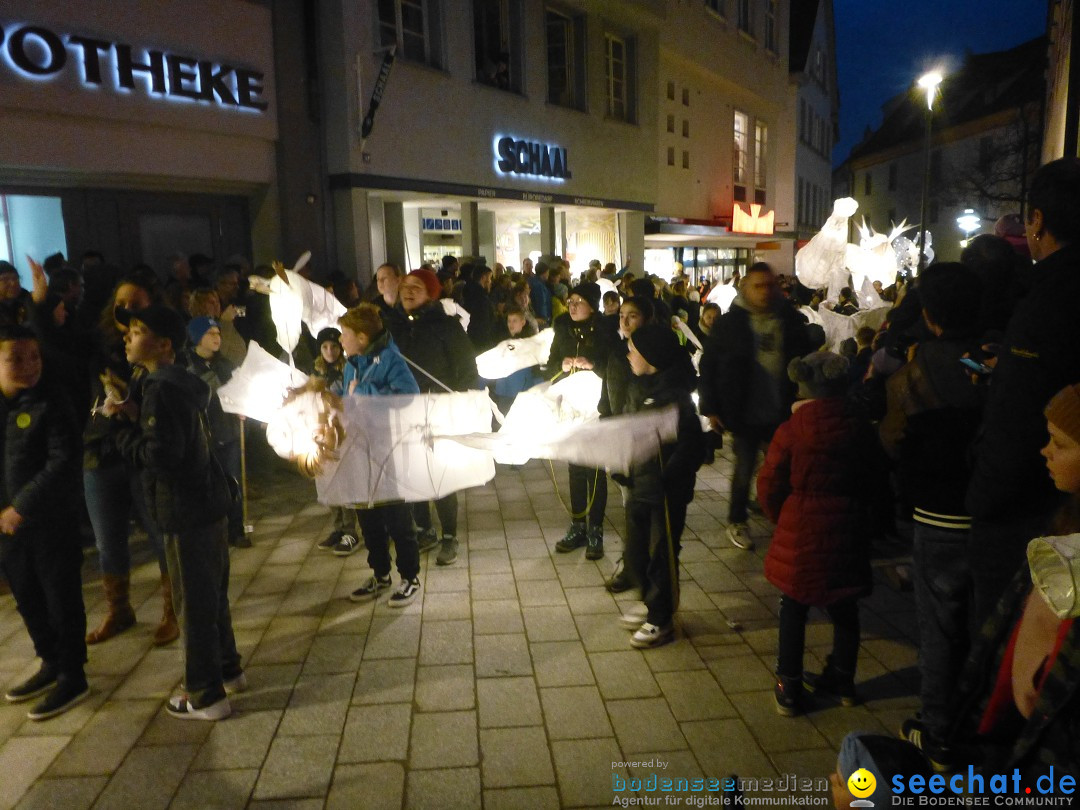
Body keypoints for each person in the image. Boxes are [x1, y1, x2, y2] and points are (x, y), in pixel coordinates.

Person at [109, 304, 243, 720]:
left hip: (185, 508)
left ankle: (204, 693)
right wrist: (132, 412)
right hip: (206, 503)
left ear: (163, 343)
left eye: (136, 331)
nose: (128, 339)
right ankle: (228, 669)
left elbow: (162, 456)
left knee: (193, 603)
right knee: (211, 595)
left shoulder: (160, 389)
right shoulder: (177, 382)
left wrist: (121, 433)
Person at [878, 263, 986, 765]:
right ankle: (981, 718)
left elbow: (892, 440)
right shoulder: (1002, 357)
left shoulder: (915, 370)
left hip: (939, 514)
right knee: (983, 619)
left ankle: (940, 732)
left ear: (929, 315)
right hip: (994, 512)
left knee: (939, 626)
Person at [965, 157, 1080, 626]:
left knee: (1004, 635)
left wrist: (982, 498)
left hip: (1028, 504)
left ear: (1037, 220)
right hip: (1051, 496)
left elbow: (1016, 420)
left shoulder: (1050, 295)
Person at [757, 351, 883, 716]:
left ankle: (789, 686)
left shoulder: (793, 429)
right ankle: (843, 680)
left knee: (794, 607)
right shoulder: (859, 425)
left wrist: (782, 516)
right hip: (847, 522)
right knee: (845, 606)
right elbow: (876, 474)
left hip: (802, 524)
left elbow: (769, 481)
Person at [0, 326, 89, 720]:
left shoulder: (52, 401)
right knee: (28, 597)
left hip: (51, 520)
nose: (28, 365)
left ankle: (73, 674)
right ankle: (49, 661)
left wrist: (22, 505)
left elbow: (64, 460)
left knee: (60, 597)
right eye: (15, 358)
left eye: (33, 356)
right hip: (9, 529)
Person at [699, 262, 818, 551]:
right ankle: (737, 519)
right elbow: (710, 365)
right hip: (745, 410)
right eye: (758, 286)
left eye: (769, 285)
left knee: (785, 468)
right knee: (744, 467)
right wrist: (711, 407)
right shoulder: (730, 324)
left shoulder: (789, 321)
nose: (764, 292)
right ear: (746, 289)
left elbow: (806, 360)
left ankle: (783, 517)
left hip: (782, 409)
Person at [84, 276, 175, 647]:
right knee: (109, 540)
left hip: (140, 452)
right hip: (99, 452)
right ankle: (119, 610)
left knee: (159, 533)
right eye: (122, 303)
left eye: (137, 305)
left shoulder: (156, 350)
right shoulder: (100, 344)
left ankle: (173, 609)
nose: (128, 311)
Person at [615, 323, 704, 648]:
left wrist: (670, 478)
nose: (628, 355)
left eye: (633, 350)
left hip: (665, 491)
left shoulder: (675, 397)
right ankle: (649, 600)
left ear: (650, 356)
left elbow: (693, 445)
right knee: (636, 552)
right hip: (640, 484)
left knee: (660, 555)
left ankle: (661, 618)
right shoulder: (641, 388)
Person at [386, 269, 479, 565]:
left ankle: (449, 535)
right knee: (411, 470)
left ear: (431, 292)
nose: (409, 292)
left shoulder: (446, 326)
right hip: (404, 409)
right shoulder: (393, 326)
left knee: (439, 472)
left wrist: (460, 402)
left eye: (417, 287)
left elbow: (466, 369)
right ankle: (424, 529)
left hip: (439, 409)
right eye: (406, 286)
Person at [338, 304, 424, 605]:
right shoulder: (353, 360)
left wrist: (364, 393)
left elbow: (407, 396)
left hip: (388, 448)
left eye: (344, 334)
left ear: (361, 337)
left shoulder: (390, 358)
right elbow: (345, 392)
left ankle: (410, 576)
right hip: (359, 448)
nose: (340, 340)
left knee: (397, 517)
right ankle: (380, 573)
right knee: (368, 516)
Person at [548, 281, 613, 560]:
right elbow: (550, 363)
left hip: (597, 404)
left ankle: (596, 529)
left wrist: (593, 364)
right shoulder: (562, 327)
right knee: (575, 466)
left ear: (592, 305)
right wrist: (561, 365)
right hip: (571, 404)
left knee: (594, 469)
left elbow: (616, 363)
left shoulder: (606, 329)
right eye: (570, 301)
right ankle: (578, 525)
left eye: (579, 301)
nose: (573, 306)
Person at [600, 297, 654, 594]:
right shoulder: (618, 353)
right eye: (621, 315)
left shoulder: (655, 353)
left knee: (643, 508)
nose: (624, 321)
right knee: (629, 504)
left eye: (632, 316)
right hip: (622, 436)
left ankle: (641, 568)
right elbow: (608, 396)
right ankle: (632, 564)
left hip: (645, 441)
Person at [181, 316, 249, 548]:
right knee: (208, 485)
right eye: (211, 334)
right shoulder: (188, 368)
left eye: (218, 333)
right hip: (204, 437)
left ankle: (236, 528)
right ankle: (213, 531)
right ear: (197, 338)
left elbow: (236, 392)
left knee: (233, 482)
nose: (217, 338)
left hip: (228, 433)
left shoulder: (225, 364)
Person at [310, 327, 359, 553]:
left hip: (344, 432)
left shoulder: (348, 369)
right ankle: (338, 526)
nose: (330, 351)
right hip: (324, 433)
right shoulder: (316, 371)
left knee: (345, 480)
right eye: (325, 347)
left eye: (334, 346)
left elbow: (349, 400)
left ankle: (351, 531)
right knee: (327, 479)